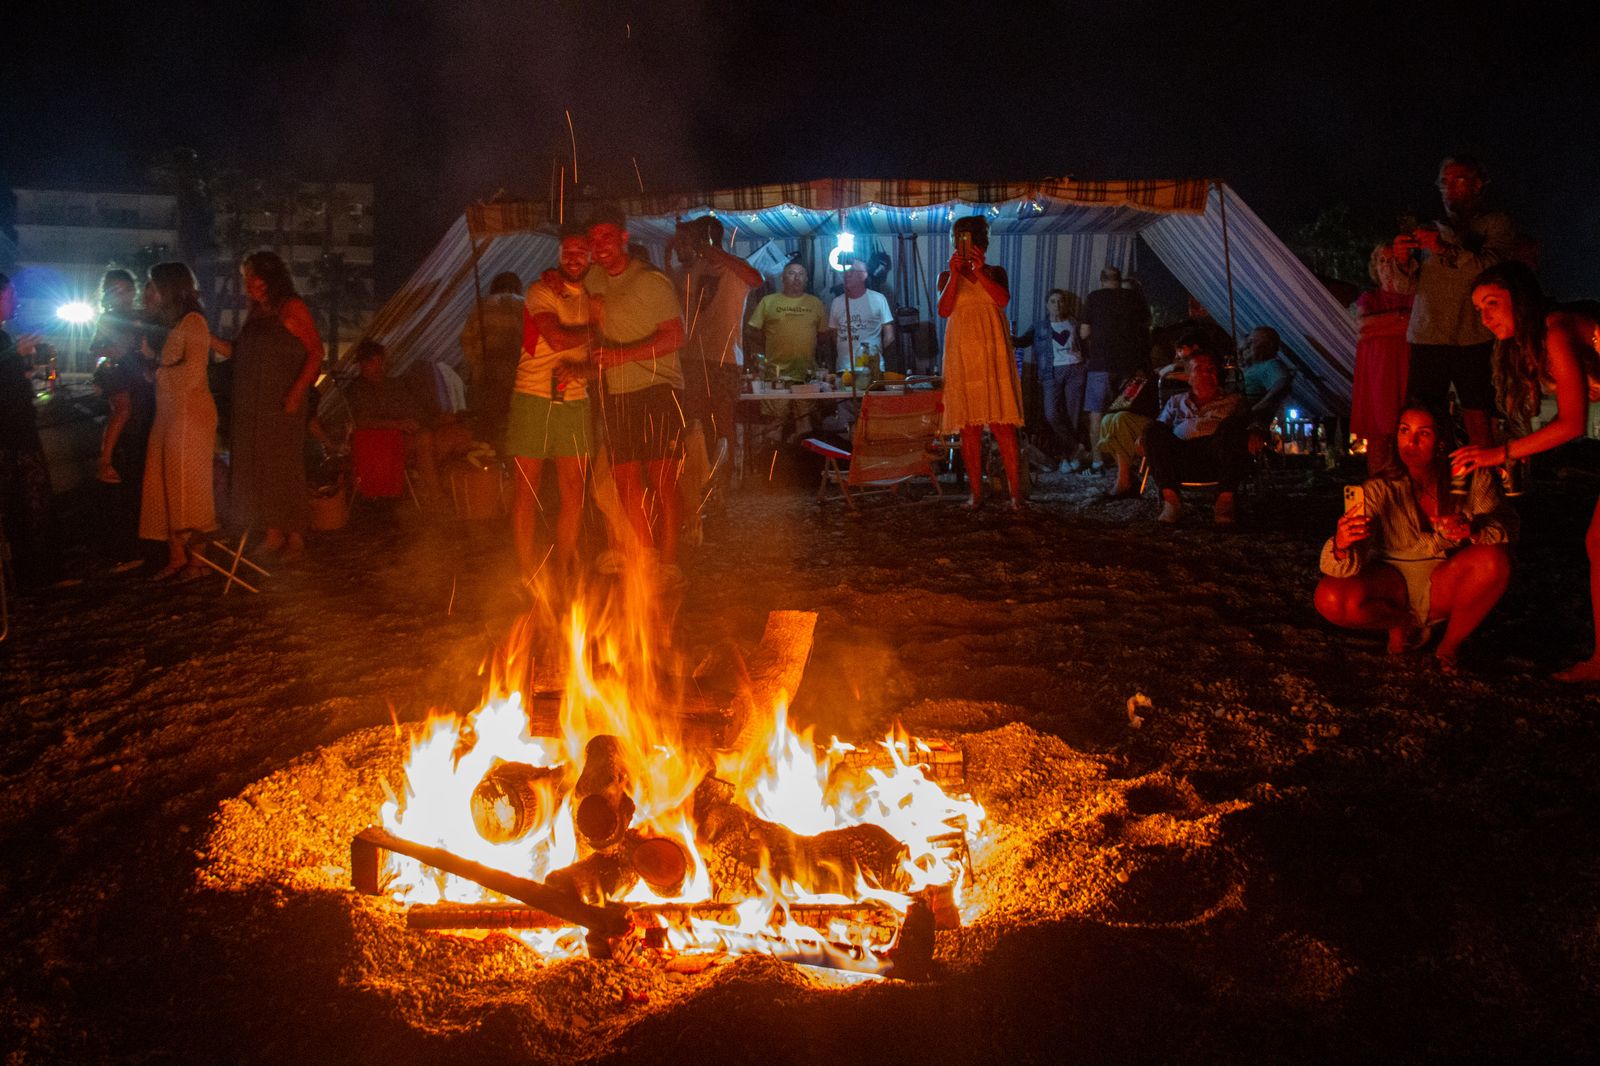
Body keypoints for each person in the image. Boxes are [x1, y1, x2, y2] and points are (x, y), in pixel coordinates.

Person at [1452, 261, 1600, 681]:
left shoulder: (1556, 329)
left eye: (1493, 303)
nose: (1486, 317)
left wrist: (1498, 455)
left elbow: (1572, 422)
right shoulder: (1534, 343)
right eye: (1479, 309)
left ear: (1521, 299)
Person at [1316, 404, 1516, 672]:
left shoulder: (1470, 477)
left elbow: (1507, 527)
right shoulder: (1378, 488)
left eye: (1423, 433)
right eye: (1404, 431)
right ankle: (1400, 622)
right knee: (1329, 598)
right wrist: (1341, 544)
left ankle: (1449, 646)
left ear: (1441, 442)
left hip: (1446, 578)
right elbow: (1346, 562)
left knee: (1495, 560)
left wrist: (1474, 529)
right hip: (1392, 581)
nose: (1411, 441)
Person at [585, 205, 686, 570]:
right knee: (625, 478)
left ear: (624, 239)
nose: (600, 245)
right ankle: (646, 557)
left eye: (607, 236)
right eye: (594, 239)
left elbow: (675, 337)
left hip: (658, 388)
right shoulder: (594, 279)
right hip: (617, 392)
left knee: (661, 479)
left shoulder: (650, 281)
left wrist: (621, 356)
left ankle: (670, 563)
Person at [1391, 155, 1515, 448]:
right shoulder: (1429, 228)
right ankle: (1426, 488)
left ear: (1478, 184)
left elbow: (1490, 270)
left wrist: (1444, 248)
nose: (1450, 189)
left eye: (1459, 181)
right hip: (1428, 334)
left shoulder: (1495, 225)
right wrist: (1400, 259)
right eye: (1444, 182)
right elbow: (1406, 287)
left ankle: (1485, 486)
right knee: (1421, 419)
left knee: (1479, 416)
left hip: (1474, 335)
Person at [217, 251, 322, 559]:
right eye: (245, 277)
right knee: (258, 466)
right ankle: (272, 532)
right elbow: (238, 352)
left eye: (253, 275)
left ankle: (296, 535)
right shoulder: (257, 312)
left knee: (283, 465)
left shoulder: (291, 308)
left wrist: (296, 393)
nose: (248, 283)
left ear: (269, 277)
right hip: (252, 401)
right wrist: (206, 339)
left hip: (282, 400)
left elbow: (316, 353)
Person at [508, 228, 595, 582]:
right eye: (567, 252)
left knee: (574, 491)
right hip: (532, 396)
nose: (573, 258)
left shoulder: (596, 295)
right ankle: (527, 570)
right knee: (526, 490)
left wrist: (587, 364)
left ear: (591, 257)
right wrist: (597, 329)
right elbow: (556, 338)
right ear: (558, 255)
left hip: (575, 401)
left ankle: (564, 567)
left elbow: (598, 359)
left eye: (581, 251)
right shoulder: (541, 289)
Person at [137, 263, 218, 581]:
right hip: (168, 413)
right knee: (162, 483)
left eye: (154, 286)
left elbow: (192, 373)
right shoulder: (170, 325)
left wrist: (157, 370)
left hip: (190, 417)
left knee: (188, 486)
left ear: (169, 288)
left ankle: (198, 562)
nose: (149, 293)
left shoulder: (194, 322)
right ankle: (176, 556)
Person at [938, 216, 1024, 510]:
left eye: (970, 241)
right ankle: (976, 493)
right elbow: (944, 309)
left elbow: (1001, 300)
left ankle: (1016, 495)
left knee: (1002, 425)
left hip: (992, 353)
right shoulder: (946, 275)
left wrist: (979, 270)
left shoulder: (995, 272)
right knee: (969, 428)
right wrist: (954, 273)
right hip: (962, 355)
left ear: (981, 244)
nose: (965, 246)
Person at [674, 216, 761, 503]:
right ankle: (698, 483)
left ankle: (722, 487)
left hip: (725, 358)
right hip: (693, 357)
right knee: (695, 423)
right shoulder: (693, 269)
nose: (695, 247)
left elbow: (757, 279)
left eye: (699, 240)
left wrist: (718, 254)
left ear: (711, 240)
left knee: (724, 422)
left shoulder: (735, 268)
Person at [90, 269, 156, 566]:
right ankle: (104, 459)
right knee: (123, 410)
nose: (121, 295)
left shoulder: (142, 315)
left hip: (139, 376)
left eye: (125, 289)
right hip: (117, 372)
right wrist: (112, 350)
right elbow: (96, 348)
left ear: (133, 290)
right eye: (114, 291)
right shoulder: (107, 319)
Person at [0, 273, 59, 590]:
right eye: (10, 295)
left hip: (16, 431)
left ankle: (29, 573)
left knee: (22, 506)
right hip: (11, 436)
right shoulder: (5, 343)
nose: (15, 301)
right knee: (27, 504)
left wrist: (25, 370)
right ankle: (34, 574)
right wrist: (16, 357)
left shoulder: (5, 339)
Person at [1142, 349, 1248, 525]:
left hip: (1217, 453)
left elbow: (1251, 423)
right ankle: (1172, 502)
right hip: (1180, 454)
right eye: (1200, 369)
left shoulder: (1234, 400)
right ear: (1189, 376)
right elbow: (1160, 428)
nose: (1207, 372)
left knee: (1233, 426)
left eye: (1212, 369)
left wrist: (1255, 432)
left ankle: (1225, 502)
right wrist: (1145, 438)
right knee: (1153, 430)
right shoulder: (1176, 401)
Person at [345, 340, 450, 503]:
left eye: (380, 362)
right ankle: (435, 494)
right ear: (362, 365)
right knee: (424, 438)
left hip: (404, 434)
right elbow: (362, 421)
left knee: (447, 435)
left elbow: (413, 408)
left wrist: (433, 420)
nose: (377, 367)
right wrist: (398, 424)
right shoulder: (358, 390)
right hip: (380, 442)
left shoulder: (393, 385)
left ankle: (433, 486)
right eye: (372, 363)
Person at [1351, 244, 1414, 476]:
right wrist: (1400, 319)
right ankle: (1378, 492)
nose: (1387, 268)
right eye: (1382, 262)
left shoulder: (1415, 296)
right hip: (1378, 371)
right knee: (1379, 432)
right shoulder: (1370, 298)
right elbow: (1362, 326)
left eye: (1392, 262)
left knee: (1407, 429)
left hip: (1405, 366)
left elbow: (1415, 324)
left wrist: (1382, 324)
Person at [1080, 264, 1151, 471]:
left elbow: (1084, 333)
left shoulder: (1094, 297)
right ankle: (1126, 461)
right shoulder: (1133, 298)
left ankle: (1097, 460)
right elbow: (1145, 325)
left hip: (1100, 364)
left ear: (1102, 280)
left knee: (1096, 412)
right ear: (1119, 280)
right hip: (1129, 366)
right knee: (1123, 413)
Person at [1016, 288, 1086, 469]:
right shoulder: (1040, 326)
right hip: (1050, 372)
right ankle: (1076, 448)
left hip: (1075, 370)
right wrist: (1004, 336)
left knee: (1072, 416)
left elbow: (1087, 343)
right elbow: (1023, 341)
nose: (1057, 305)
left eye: (1061, 301)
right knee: (1052, 414)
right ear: (1047, 305)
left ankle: (1068, 458)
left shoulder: (1074, 322)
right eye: (1053, 301)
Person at [459, 270, 524, 448]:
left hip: (486, 376)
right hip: (517, 376)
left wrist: (478, 364)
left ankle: (489, 465)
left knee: (487, 427)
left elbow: (466, 340)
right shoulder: (523, 305)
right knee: (514, 425)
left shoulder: (481, 306)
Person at [747, 261, 827, 383]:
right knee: (777, 402)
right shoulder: (768, 301)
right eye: (791, 273)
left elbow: (823, 335)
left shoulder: (816, 303)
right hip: (775, 374)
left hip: (807, 375)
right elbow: (751, 331)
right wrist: (770, 342)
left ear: (806, 279)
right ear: (782, 278)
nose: (797, 277)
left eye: (801, 274)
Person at [828, 255, 896, 374]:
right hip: (844, 369)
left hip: (872, 369)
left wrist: (875, 352)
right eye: (846, 271)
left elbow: (889, 335)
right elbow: (834, 335)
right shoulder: (836, 302)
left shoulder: (878, 299)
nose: (847, 274)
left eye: (852, 271)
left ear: (864, 275)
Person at [1238, 326, 1295, 426]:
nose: (1248, 346)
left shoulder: (1270, 365)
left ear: (1267, 345)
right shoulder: (1253, 367)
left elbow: (1282, 384)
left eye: (1252, 342)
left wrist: (1255, 409)